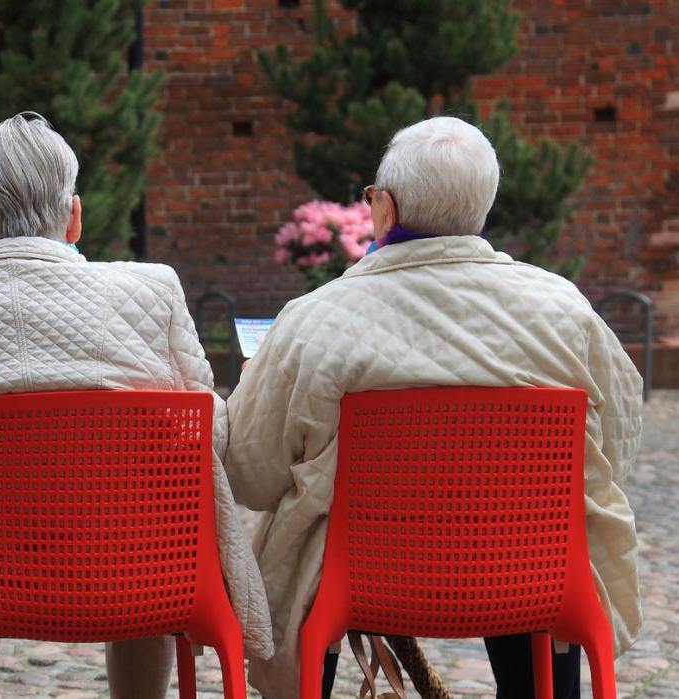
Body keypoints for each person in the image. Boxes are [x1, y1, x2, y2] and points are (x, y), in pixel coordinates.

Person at [0, 111, 274, 699]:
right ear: (74, 216)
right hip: (143, 571)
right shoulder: (154, 293)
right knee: (149, 529)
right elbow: (211, 432)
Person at [225, 116, 642, 699]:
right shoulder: (564, 312)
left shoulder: (316, 319)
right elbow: (616, 445)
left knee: (296, 546)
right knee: (548, 540)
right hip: (531, 572)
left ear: (386, 210)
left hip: (362, 580)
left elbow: (250, 474)